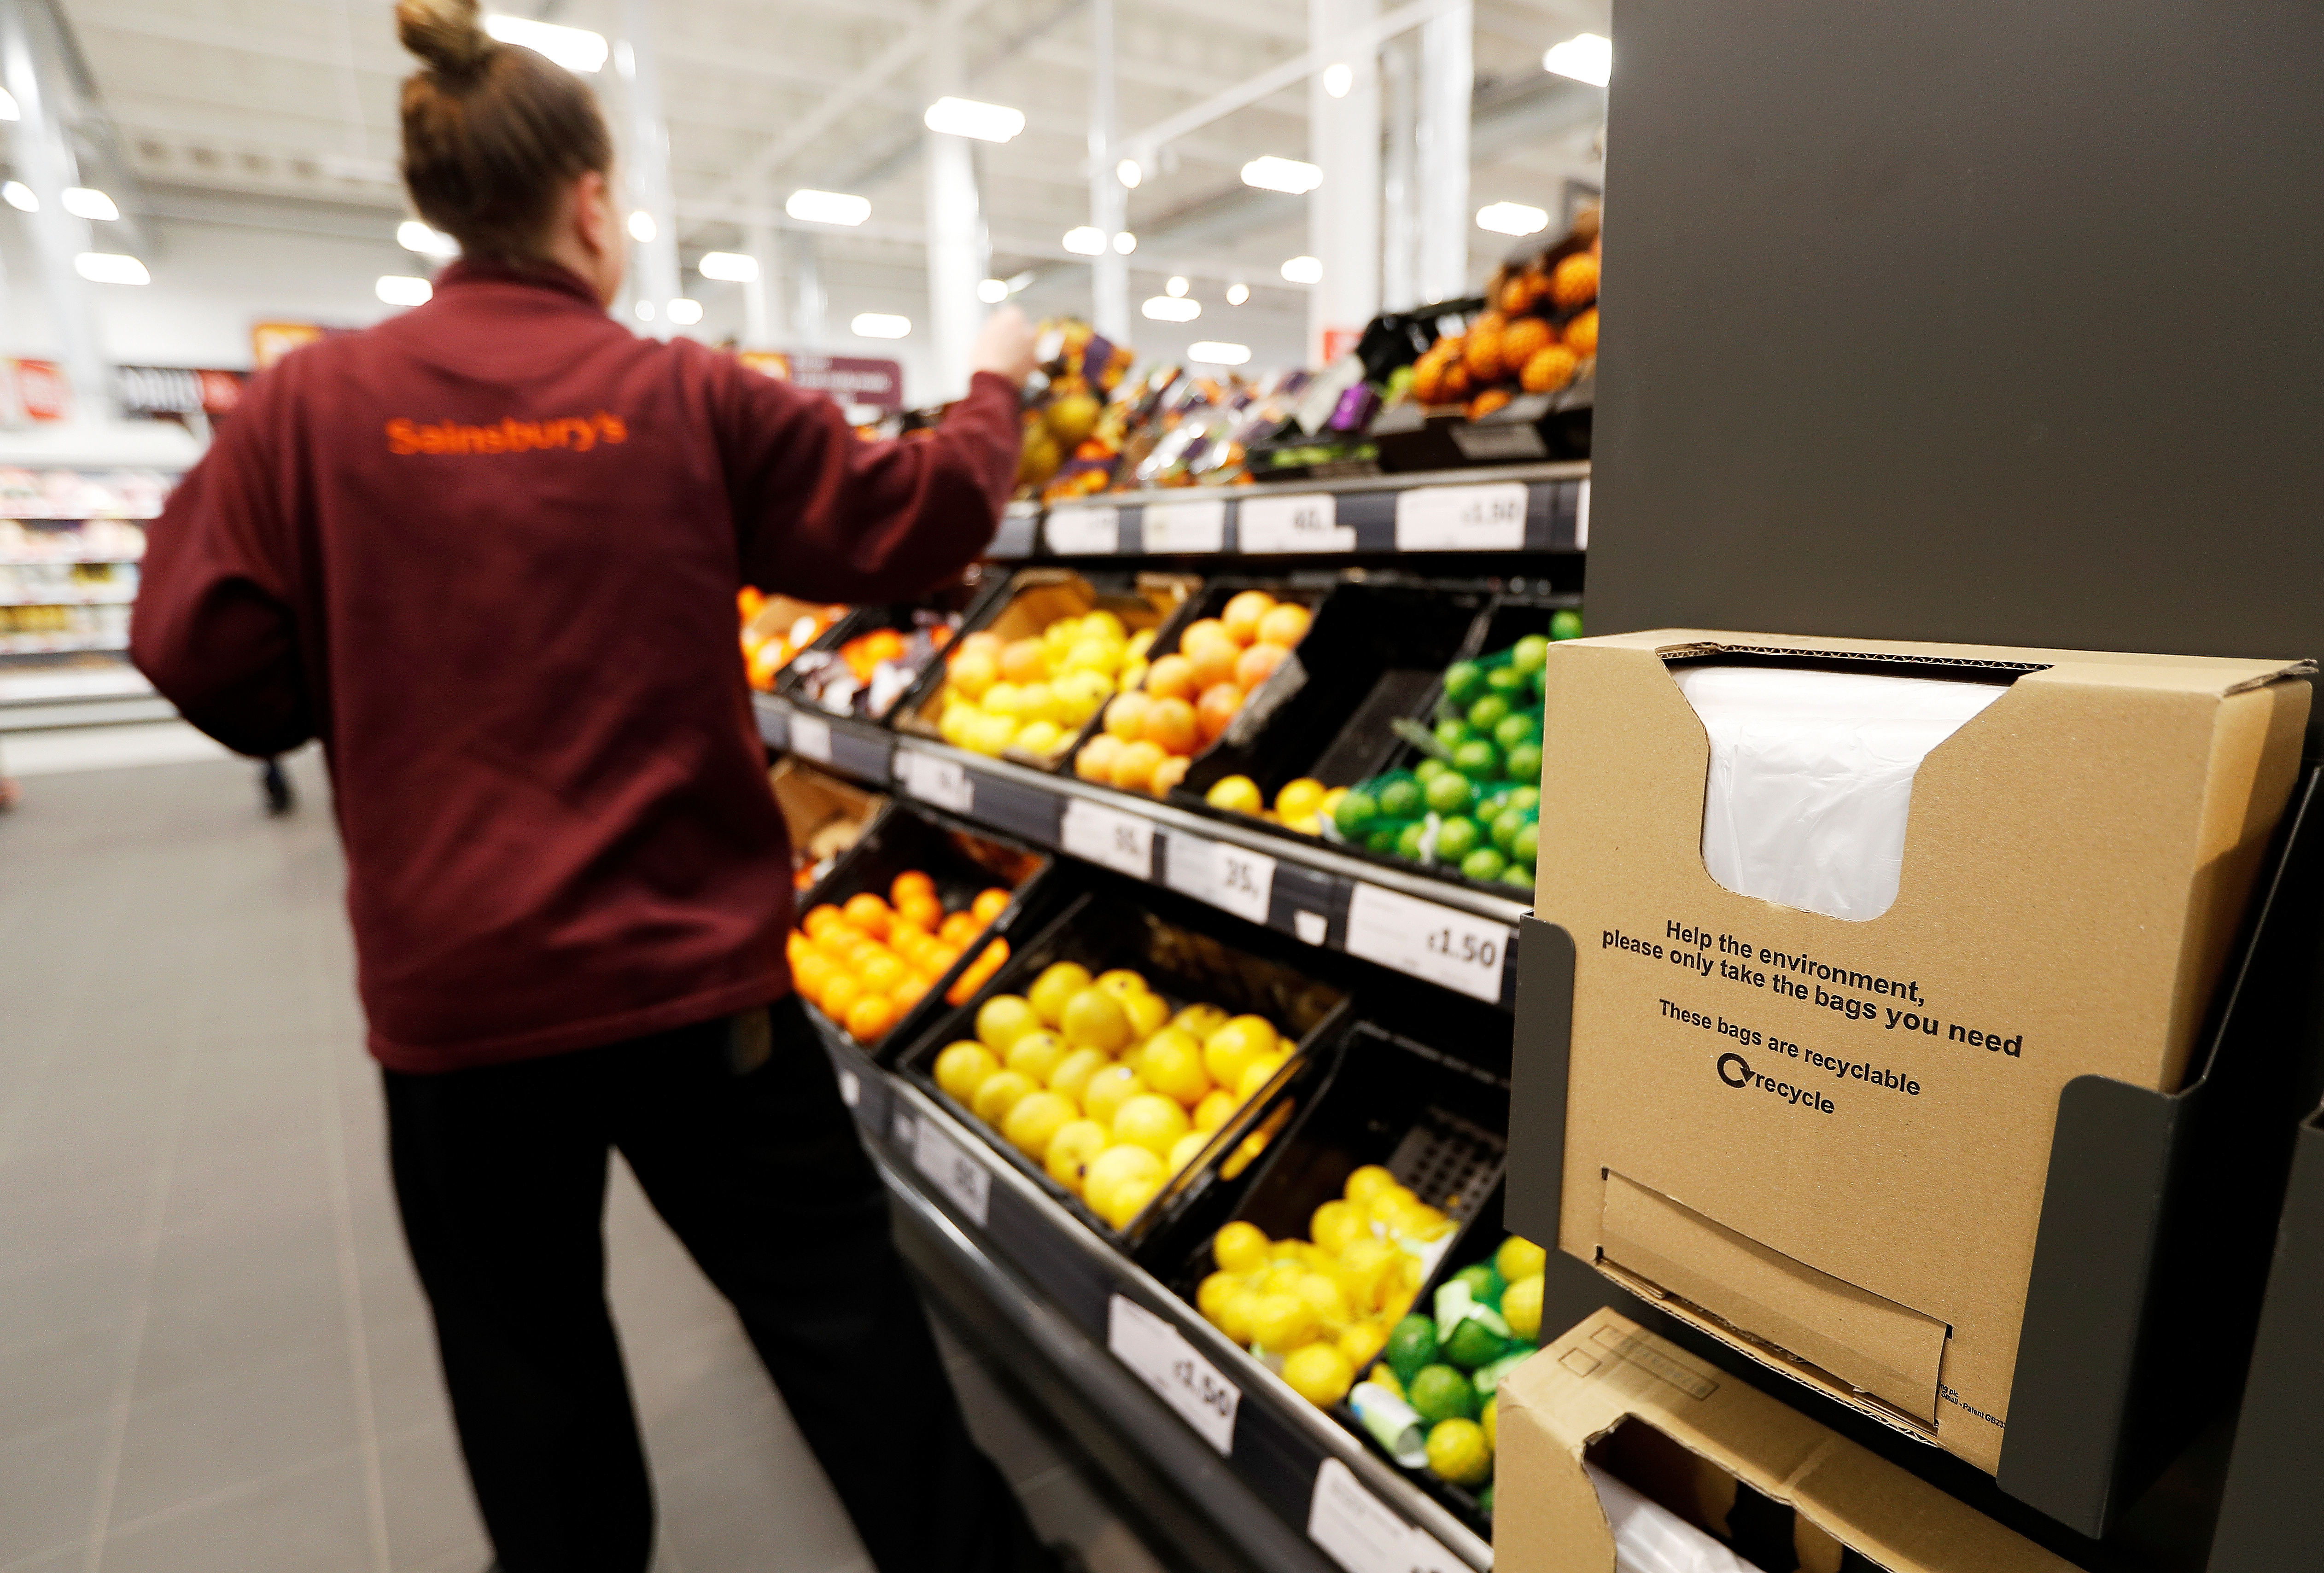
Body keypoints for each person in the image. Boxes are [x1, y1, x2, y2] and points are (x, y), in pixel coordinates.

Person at [129, 2, 1055, 1570]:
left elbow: (193, 646)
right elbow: (913, 523)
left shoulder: (307, 410)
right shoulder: (683, 395)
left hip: (460, 1009)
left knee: (527, 1373)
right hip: (699, 994)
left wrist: (357, 687)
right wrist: (990, 386)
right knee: (842, 1324)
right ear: (590, 202)